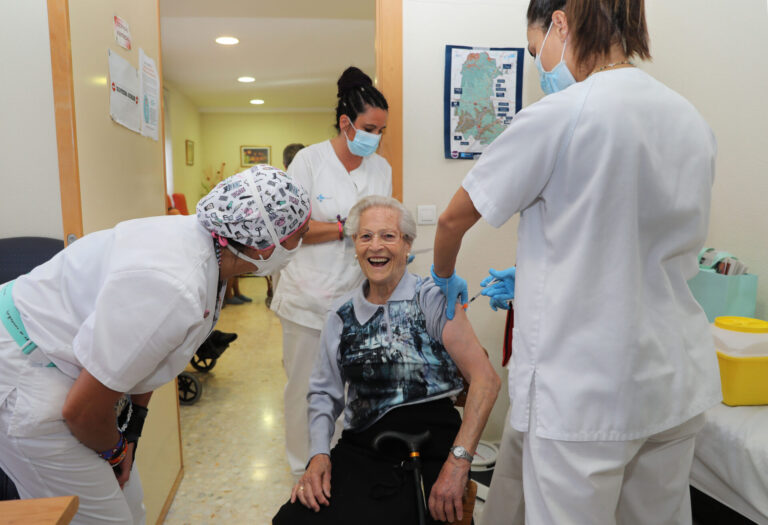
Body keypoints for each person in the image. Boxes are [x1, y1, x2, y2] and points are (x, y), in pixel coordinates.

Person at [432, 1, 722, 523]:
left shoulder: (560, 114)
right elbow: (635, 237)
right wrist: (542, 274)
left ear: (560, 24)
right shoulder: (690, 119)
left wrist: (444, 275)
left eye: (533, 49)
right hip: (674, 381)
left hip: (587, 391)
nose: (538, 64)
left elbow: (454, 220)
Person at [0, 166, 310, 524]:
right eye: (297, 236)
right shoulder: (174, 287)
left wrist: (132, 430)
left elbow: (146, 356)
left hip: (69, 373)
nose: (301, 244)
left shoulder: (209, 244)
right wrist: (116, 451)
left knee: (132, 506)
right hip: (26, 375)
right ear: (265, 242)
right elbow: (81, 411)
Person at [273, 196, 500, 524]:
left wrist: (459, 461)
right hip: (365, 448)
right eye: (365, 236)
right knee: (293, 520)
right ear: (354, 244)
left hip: (435, 445)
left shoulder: (432, 300)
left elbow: (486, 380)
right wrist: (318, 455)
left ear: (407, 245)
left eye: (388, 236)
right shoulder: (341, 315)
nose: (375, 246)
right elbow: (324, 395)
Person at [270, 66, 392, 477]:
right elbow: (292, 230)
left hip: (355, 300)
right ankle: (302, 470)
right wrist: (345, 228)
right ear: (346, 123)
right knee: (304, 390)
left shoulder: (381, 169)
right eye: (370, 128)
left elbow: (380, 223)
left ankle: (337, 468)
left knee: (349, 390)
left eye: (381, 130)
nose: (376, 137)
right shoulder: (309, 162)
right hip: (306, 299)